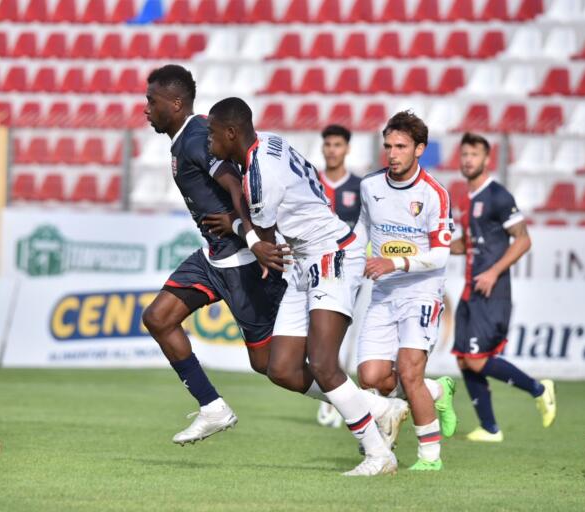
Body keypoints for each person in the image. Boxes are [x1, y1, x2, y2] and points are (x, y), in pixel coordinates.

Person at [206, 97, 408, 477]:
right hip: (305, 259)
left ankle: (378, 455)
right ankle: (380, 408)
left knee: (323, 362)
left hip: (329, 256)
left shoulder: (260, 178)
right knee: (280, 367)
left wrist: (233, 224)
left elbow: (264, 242)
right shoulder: (269, 141)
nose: (210, 143)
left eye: (214, 136)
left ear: (231, 133)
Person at [140, 65, 287, 446]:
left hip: (241, 263)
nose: (145, 108)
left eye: (151, 100)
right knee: (158, 318)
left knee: (271, 366)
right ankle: (212, 408)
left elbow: (235, 184)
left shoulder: (195, 138)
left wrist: (250, 236)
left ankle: (363, 405)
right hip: (213, 258)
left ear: (174, 103)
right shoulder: (188, 138)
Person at [354, 110, 458, 471]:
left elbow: (441, 256)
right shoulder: (370, 186)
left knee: (410, 372)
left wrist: (393, 262)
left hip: (422, 291)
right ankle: (436, 392)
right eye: (388, 146)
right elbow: (362, 232)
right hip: (384, 293)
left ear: (419, 149)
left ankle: (430, 458)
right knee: (370, 377)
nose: (392, 153)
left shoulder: (434, 194)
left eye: (401, 146)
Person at [450, 132, 556, 442]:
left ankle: (539, 389)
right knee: (462, 358)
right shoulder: (467, 199)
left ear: (487, 159)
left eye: (474, 154)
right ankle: (489, 428)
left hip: (491, 290)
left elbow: (523, 239)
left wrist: (494, 272)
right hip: (471, 289)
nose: (468, 160)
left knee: (476, 358)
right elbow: (467, 244)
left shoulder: (498, 196)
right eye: (465, 154)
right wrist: (435, 246)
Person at [315, 124, 363, 428]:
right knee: (318, 341)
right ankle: (333, 399)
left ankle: (339, 402)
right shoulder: (311, 182)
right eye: (328, 144)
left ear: (346, 149)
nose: (332, 149)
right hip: (314, 270)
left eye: (337, 144)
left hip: (351, 271)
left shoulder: (359, 187)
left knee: (344, 340)